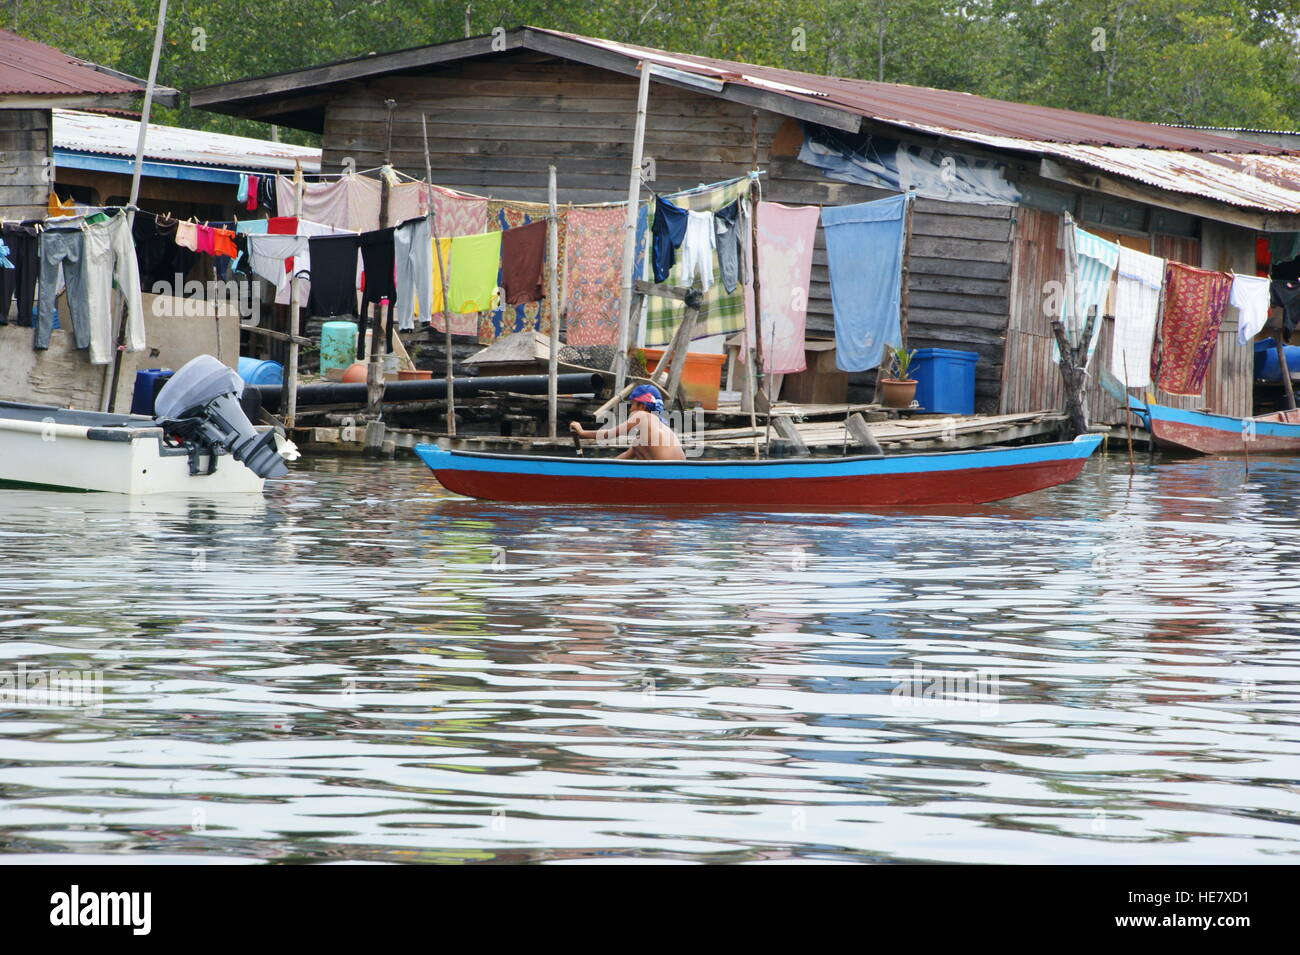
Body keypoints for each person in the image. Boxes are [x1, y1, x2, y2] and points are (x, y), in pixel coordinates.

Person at [570, 384, 686, 460]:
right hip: (679, 472)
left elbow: (610, 434)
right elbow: (625, 456)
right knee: (637, 445)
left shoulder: (642, 415)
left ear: (642, 405)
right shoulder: (659, 428)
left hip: (668, 473)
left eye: (632, 405)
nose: (630, 409)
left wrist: (582, 432)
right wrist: (597, 469)